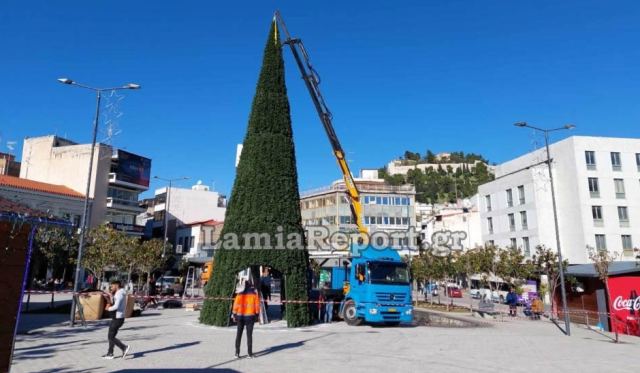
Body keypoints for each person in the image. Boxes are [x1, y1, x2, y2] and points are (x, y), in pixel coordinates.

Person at [103, 280, 131, 360]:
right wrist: (110, 296)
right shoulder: (119, 293)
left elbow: (116, 306)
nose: (111, 287)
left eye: (112, 286)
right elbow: (114, 302)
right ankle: (110, 353)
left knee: (111, 337)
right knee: (111, 336)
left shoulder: (119, 294)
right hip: (117, 318)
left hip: (117, 318)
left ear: (116, 285)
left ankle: (124, 347)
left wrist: (108, 309)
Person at [232, 280, 260, 359]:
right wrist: (257, 315)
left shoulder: (239, 294)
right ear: (251, 285)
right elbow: (257, 306)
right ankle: (249, 354)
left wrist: (234, 314)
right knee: (249, 336)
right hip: (250, 317)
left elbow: (235, 305)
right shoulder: (254, 295)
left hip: (240, 317)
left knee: (238, 335)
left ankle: (237, 353)